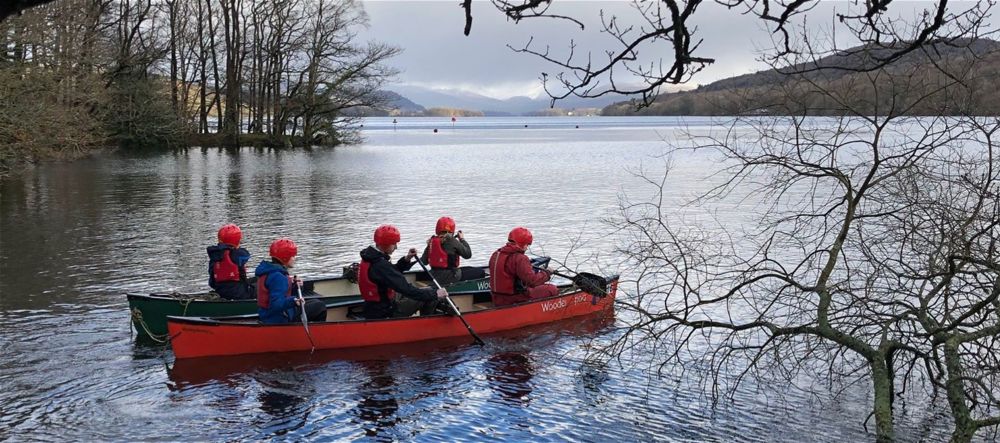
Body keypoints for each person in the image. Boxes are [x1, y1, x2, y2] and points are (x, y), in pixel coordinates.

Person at [359, 224, 449, 319]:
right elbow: (406, 289)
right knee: (431, 295)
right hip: (386, 312)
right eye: (394, 244)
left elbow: (390, 272)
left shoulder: (371, 257)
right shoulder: (380, 264)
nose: (396, 247)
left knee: (429, 291)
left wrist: (406, 259)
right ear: (386, 243)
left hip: (373, 308)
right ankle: (426, 324)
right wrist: (436, 294)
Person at [255, 238, 327, 324]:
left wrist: (295, 286)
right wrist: (294, 301)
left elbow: (282, 293)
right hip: (278, 318)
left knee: (316, 301)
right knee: (320, 306)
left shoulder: (270, 271)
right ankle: (315, 332)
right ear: (285, 257)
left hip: (270, 315)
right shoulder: (278, 277)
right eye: (292, 256)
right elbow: (276, 304)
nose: (294, 258)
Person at [489, 227, 559, 306]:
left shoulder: (496, 254)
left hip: (496, 298)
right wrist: (547, 273)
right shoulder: (520, 258)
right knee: (552, 289)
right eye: (527, 244)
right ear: (522, 243)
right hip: (513, 299)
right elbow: (533, 282)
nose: (526, 248)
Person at [420, 216, 486, 286]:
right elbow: (468, 254)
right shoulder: (451, 240)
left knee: (468, 269)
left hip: (435, 276)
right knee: (480, 272)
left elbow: (424, 261)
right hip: (451, 277)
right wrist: (462, 239)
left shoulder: (432, 241)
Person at [207, 223, 255, 300]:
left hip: (220, 292)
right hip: (238, 294)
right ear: (237, 241)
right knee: (260, 284)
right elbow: (247, 255)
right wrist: (235, 248)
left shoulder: (214, 256)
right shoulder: (238, 254)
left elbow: (212, 282)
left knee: (254, 280)